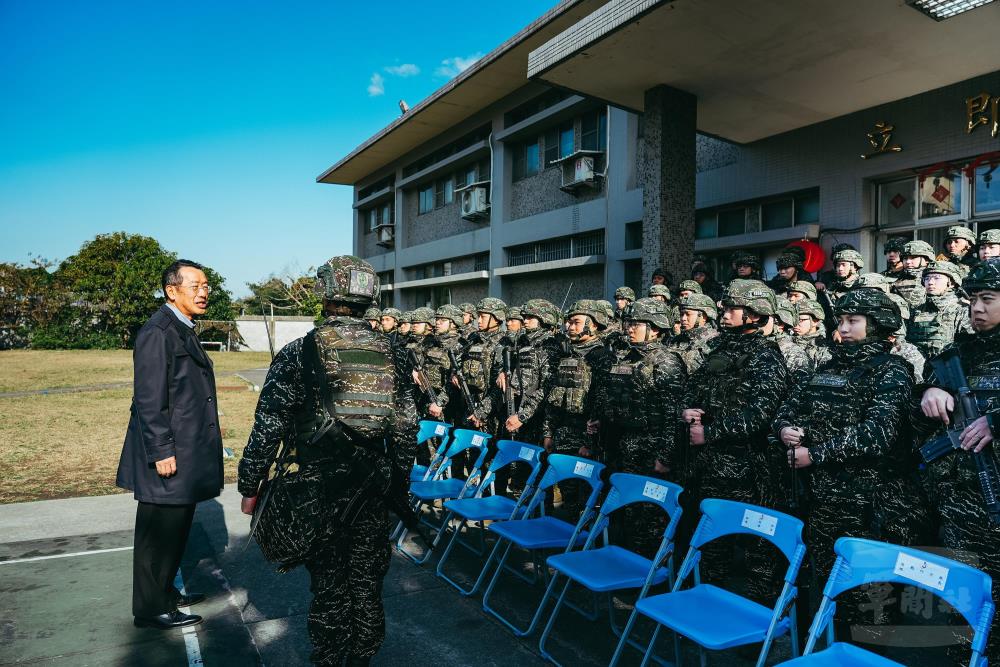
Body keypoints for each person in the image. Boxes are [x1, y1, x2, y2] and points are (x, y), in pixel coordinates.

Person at [238, 255, 417, 666]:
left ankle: (333, 658)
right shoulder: (396, 353)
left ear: (325, 292)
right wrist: (398, 482)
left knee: (330, 582)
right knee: (368, 581)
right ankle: (363, 656)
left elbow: (267, 428)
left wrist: (250, 487)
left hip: (317, 491)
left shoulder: (298, 353)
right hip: (375, 487)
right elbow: (407, 429)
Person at [776, 289, 929, 643]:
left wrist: (816, 454)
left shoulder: (893, 370)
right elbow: (788, 406)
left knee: (870, 600)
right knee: (827, 587)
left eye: (852, 321)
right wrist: (785, 429)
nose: (842, 328)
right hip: (822, 499)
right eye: (840, 321)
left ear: (876, 326)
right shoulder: (827, 367)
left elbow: (878, 434)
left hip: (869, 503)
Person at [116, 259, 222, 630]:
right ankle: (150, 607)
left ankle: (165, 591)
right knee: (157, 533)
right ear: (171, 290)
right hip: (168, 452)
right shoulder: (157, 332)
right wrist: (161, 450)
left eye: (206, 285)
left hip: (187, 449)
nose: (203, 291)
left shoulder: (183, 327)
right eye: (195, 285)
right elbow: (148, 399)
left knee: (176, 528)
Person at [913, 258, 1000, 664]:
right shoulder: (954, 355)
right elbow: (917, 405)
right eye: (972, 300)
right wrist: (930, 390)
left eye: (988, 298)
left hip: (995, 497)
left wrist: (995, 422)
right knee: (961, 603)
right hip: (960, 506)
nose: (977, 308)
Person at [680, 279, 787, 600]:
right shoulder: (717, 349)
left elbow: (761, 414)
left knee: (757, 548)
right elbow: (690, 387)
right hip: (711, 468)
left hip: (750, 471)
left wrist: (709, 432)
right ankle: (709, 604)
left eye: (732, 308)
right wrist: (688, 410)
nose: (724, 313)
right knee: (713, 543)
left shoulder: (766, 357)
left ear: (754, 314)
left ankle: (755, 624)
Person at [592, 298, 687, 557]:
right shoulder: (625, 358)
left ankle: (653, 572)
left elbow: (673, 413)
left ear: (655, 328)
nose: (630, 328)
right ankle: (627, 562)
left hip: (653, 446)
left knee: (652, 514)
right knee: (630, 508)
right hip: (626, 443)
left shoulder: (666, 361)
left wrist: (665, 455)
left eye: (637, 324)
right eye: (629, 323)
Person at [543, 300, 613, 516]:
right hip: (563, 433)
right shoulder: (566, 355)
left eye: (576, 322)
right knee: (566, 493)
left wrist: (590, 444)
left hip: (585, 438)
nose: (569, 327)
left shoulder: (602, 357)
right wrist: (548, 432)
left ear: (593, 325)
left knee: (586, 498)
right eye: (568, 322)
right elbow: (553, 397)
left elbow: (602, 404)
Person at [908, 260, 972, 360]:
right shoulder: (916, 310)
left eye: (936, 278)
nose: (930, 282)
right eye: (927, 278)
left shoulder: (962, 309)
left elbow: (968, 347)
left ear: (951, 283)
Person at [668, 293, 719, 375]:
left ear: (704, 316)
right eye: (681, 314)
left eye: (688, 314)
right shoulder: (675, 340)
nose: (683, 319)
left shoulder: (715, 342)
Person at [892, 240, 934, 309]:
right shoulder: (895, 283)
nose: (908, 262)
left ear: (927, 259)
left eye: (913, 258)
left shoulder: (937, 280)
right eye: (905, 258)